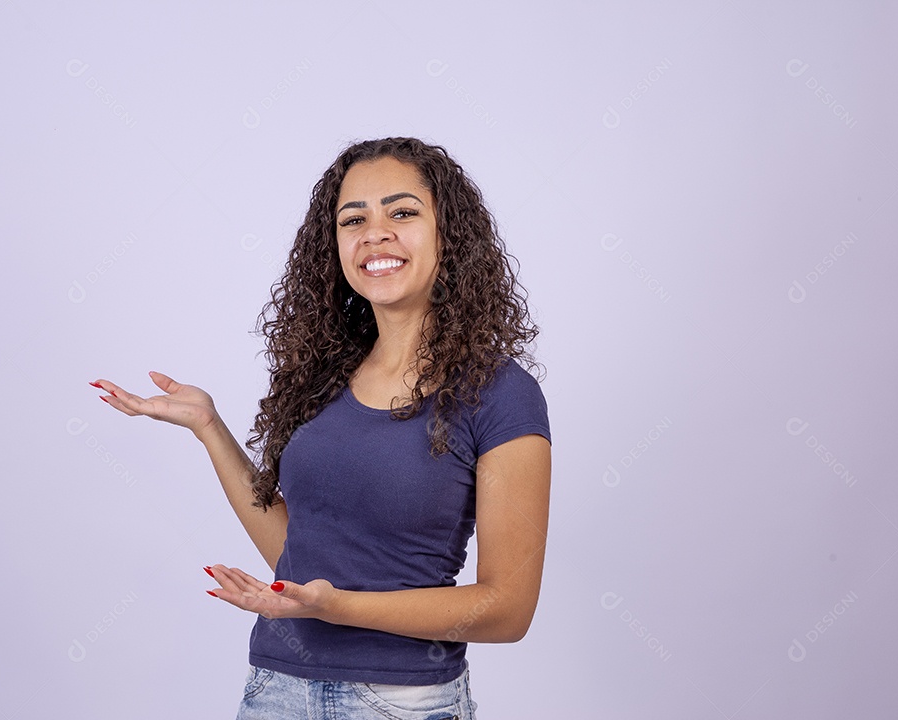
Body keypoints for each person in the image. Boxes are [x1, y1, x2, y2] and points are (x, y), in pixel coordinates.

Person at [90, 137, 552, 719]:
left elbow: (508, 610)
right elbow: (297, 556)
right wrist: (209, 427)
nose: (374, 233)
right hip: (276, 690)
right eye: (352, 219)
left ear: (449, 235)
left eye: (402, 212)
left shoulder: (501, 393)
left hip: (401, 702)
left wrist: (337, 608)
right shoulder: (325, 376)